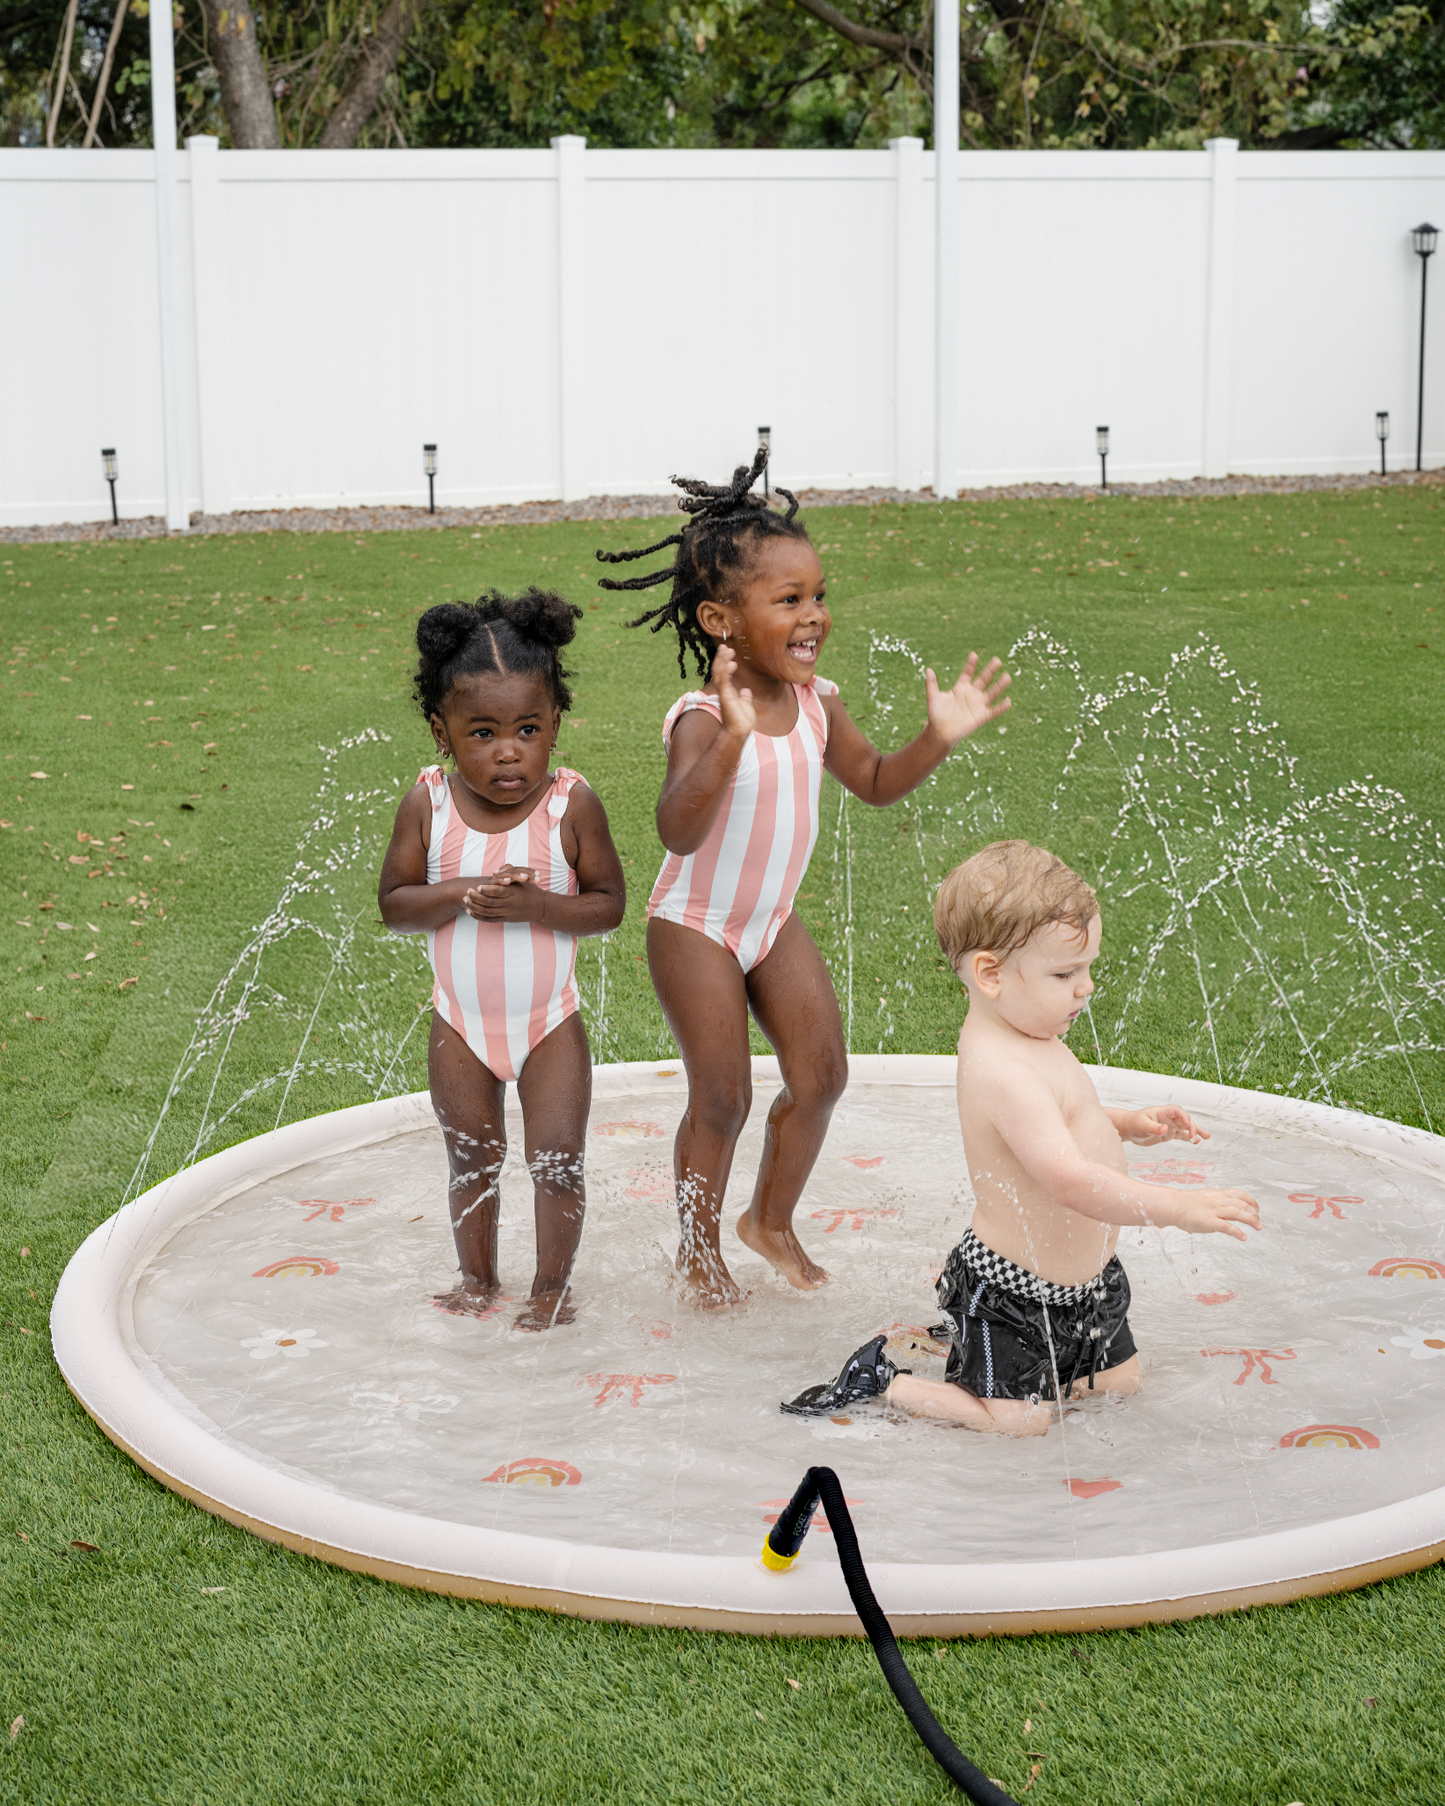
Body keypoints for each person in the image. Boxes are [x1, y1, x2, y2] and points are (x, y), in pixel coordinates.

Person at [595, 448, 1011, 1308]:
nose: (813, 614)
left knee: (822, 1076)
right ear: (720, 620)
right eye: (788, 600)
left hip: (770, 922)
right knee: (722, 1097)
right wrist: (733, 738)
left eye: (818, 595)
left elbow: (875, 781)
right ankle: (698, 1251)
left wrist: (937, 736)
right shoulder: (702, 717)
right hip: (696, 926)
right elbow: (677, 828)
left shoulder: (817, 701)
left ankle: (769, 1221)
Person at [781, 840, 1261, 1433]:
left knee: (1119, 1386)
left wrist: (1125, 1123)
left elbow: (1064, 1116)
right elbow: (1067, 1179)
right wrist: (1178, 1208)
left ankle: (974, 1354)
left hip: (1089, 1284)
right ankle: (886, 1379)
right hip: (1011, 1295)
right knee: (1020, 1425)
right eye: (1065, 974)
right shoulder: (1002, 1069)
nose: (1086, 988)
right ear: (991, 975)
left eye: (1087, 969)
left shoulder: (1034, 1035)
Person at [378, 590, 625, 1332]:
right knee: (471, 1157)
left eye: (527, 729)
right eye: (482, 733)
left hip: (549, 1026)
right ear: (442, 733)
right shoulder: (429, 805)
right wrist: (459, 890)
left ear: (554, 725)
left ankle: (551, 1288)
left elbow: (608, 905)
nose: (508, 750)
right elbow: (394, 905)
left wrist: (539, 905)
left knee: (556, 1159)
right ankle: (477, 1280)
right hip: (460, 1026)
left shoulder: (569, 806)